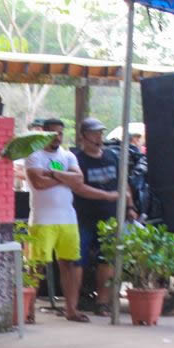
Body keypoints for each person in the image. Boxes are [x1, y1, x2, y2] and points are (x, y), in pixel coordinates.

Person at [23, 117, 87, 322]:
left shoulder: (68, 156)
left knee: (69, 264)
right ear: (43, 133)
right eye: (53, 133)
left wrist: (52, 173)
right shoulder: (34, 156)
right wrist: (64, 177)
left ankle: (71, 309)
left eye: (60, 133)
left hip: (68, 219)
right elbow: (38, 183)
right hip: (42, 220)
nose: (57, 137)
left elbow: (78, 180)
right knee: (36, 266)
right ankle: (28, 311)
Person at [71, 117, 132, 316]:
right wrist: (107, 195)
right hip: (84, 217)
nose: (98, 137)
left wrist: (130, 206)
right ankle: (73, 303)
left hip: (110, 218)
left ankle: (102, 302)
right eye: (94, 133)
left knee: (107, 259)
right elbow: (78, 187)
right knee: (77, 260)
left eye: (100, 133)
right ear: (83, 136)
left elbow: (123, 182)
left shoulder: (112, 156)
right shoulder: (76, 160)